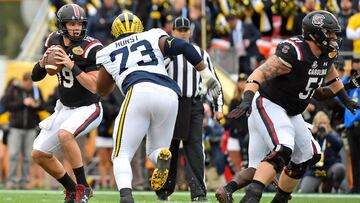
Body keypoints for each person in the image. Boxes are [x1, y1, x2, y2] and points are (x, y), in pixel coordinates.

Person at [227, 10, 360, 203]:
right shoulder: (294, 52)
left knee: (309, 155)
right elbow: (259, 73)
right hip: (272, 102)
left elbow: (331, 76)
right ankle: (251, 198)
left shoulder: (326, 54)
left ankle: (280, 199)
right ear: (316, 34)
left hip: (292, 110)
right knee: (283, 148)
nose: (334, 38)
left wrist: (346, 100)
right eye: (329, 33)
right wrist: (247, 98)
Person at [95, 12, 221, 203]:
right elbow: (184, 46)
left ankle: (126, 196)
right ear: (139, 27)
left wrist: (114, 74)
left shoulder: (106, 51)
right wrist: (204, 73)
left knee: (121, 154)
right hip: (170, 94)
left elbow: (102, 90)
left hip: (138, 90)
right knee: (157, 150)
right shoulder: (152, 34)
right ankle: (162, 156)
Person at [31, 3, 103, 203]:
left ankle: (84, 187)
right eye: (72, 23)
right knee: (39, 153)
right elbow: (35, 76)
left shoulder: (92, 47)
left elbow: (94, 86)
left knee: (65, 134)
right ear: (62, 24)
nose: (76, 28)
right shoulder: (53, 40)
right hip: (64, 107)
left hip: (89, 107)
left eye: (79, 24)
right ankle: (72, 190)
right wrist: (43, 62)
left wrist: (71, 65)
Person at [155, 16, 224, 202]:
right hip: (171, 104)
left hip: (194, 104)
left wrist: (218, 107)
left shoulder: (201, 53)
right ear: (173, 32)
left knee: (195, 148)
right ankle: (164, 191)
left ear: (190, 31)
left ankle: (199, 194)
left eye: (186, 30)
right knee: (169, 149)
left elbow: (212, 81)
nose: (183, 33)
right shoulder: (165, 54)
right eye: (180, 30)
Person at [2, 73, 43, 189]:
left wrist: (37, 104)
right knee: (14, 155)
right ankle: (11, 181)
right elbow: (7, 104)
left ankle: (24, 182)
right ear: (23, 81)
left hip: (30, 128)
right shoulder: (14, 90)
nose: (29, 85)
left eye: (31, 82)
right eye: (27, 82)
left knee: (27, 157)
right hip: (15, 127)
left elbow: (42, 105)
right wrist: (23, 102)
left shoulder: (36, 90)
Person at [299, 111, 346, 193]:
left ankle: (334, 187)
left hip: (329, 168)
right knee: (305, 190)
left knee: (340, 169)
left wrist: (326, 134)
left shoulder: (332, 134)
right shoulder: (310, 136)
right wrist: (312, 134)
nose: (322, 126)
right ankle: (319, 187)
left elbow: (339, 145)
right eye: (320, 123)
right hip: (314, 170)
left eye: (324, 123)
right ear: (315, 124)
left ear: (328, 123)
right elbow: (303, 148)